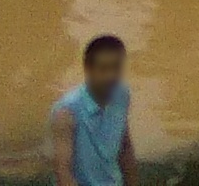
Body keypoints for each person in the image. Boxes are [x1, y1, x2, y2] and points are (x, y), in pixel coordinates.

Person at [48, 36, 135, 186]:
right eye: (103, 69)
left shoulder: (122, 95)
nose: (111, 76)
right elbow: (63, 172)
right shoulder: (66, 112)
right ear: (87, 69)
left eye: (116, 67)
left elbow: (125, 148)